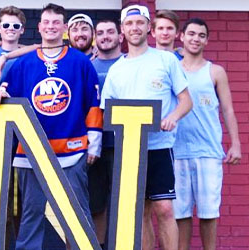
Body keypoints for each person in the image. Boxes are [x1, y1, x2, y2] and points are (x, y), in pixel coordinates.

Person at [0, 4, 102, 249]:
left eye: (56, 22)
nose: (50, 27)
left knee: (77, 213)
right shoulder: (23, 63)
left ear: (63, 28)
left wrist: (95, 141)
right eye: (46, 22)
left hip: (72, 150)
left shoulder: (80, 61)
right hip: (31, 152)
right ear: (39, 27)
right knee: (31, 214)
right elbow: (5, 93)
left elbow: (93, 104)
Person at [99, 5, 192, 250]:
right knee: (140, 211)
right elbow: (107, 112)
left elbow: (186, 101)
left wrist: (173, 117)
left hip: (160, 147)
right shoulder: (116, 70)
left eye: (139, 23)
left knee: (164, 208)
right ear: (122, 30)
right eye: (129, 24)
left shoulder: (166, 59)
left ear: (148, 28)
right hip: (130, 149)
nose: (134, 28)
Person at [174, 18, 242, 250]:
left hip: (208, 151)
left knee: (208, 212)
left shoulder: (215, 71)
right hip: (177, 150)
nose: (196, 39)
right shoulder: (171, 69)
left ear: (207, 40)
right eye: (191, 34)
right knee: (180, 212)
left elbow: (228, 109)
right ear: (181, 36)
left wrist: (236, 144)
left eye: (201, 35)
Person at [87, 18, 123, 246]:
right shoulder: (87, 66)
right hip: (94, 144)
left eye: (110, 32)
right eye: (100, 32)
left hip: (125, 143)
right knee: (97, 204)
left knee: (126, 204)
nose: (105, 36)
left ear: (120, 37)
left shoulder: (130, 64)